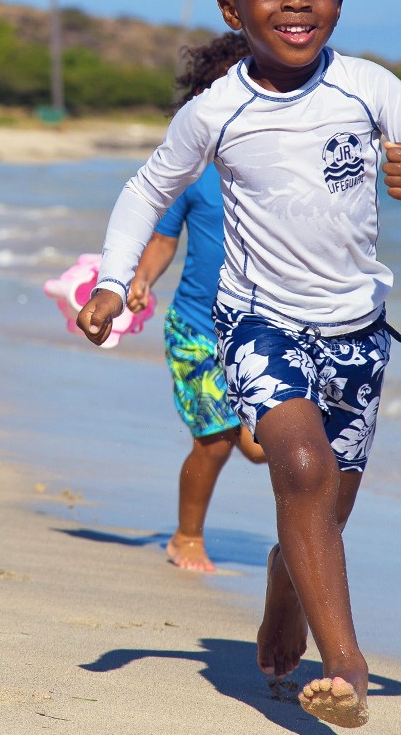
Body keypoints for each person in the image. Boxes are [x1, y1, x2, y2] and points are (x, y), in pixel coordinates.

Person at [75, 0, 401, 728]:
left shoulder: (369, 87)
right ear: (233, 10)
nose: (297, 3)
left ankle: (283, 584)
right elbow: (147, 191)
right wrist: (115, 283)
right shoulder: (215, 112)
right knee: (299, 466)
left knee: (327, 508)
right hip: (258, 324)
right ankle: (348, 665)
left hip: (359, 333)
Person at [127, 31, 266, 575]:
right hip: (196, 331)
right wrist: (139, 280)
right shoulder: (190, 171)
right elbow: (164, 238)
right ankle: (186, 536)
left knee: (259, 447)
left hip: (258, 332)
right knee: (215, 441)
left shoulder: (271, 172)